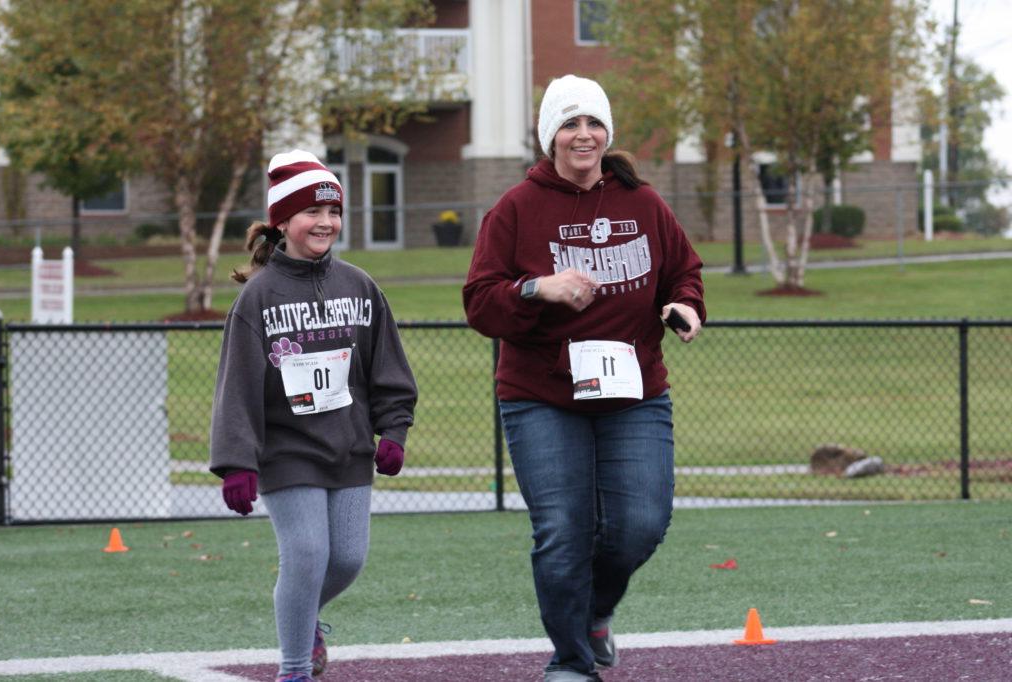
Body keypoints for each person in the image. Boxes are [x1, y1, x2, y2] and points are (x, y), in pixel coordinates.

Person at [463, 74, 705, 682]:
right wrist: (535, 288)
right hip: (542, 396)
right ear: (551, 136)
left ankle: (595, 614)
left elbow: (683, 270)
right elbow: (480, 303)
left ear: (607, 134)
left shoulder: (643, 203)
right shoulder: (516, 209)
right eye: (570, 124)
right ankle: (571, 660)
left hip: (634, 392)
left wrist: (686, 305)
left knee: (641, 524)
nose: (584, 135)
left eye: (593, 123)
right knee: (563, 531)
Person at [209, 149, 418, 682]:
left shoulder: (359, 286)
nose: (325, 222)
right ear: (282, 221)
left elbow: (388, 367)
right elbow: (237, 386)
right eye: (311, 213)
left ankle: (306, 622)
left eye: (333, 212)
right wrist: (237, 461)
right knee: (306, 554)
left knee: (345, 560)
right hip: (287, 450)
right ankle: (295, 668)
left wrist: (392, 430)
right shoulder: (257, 298)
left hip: (347, 448)